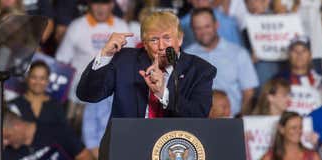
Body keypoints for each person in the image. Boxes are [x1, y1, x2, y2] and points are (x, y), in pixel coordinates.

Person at [77, 10, 217, 119]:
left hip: (171, 150)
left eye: (167, 38)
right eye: (154, 40)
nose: (161, 46)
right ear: (144, 44)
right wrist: (105, 55)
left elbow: (199, 115)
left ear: (179, 39)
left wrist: (163, 93)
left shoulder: (200, 70)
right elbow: (87, 95)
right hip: (126, 144)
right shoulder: (125, 60)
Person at [56, 0, 133, 104]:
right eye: (96, 3)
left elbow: (130, 62)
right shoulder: (76, 26)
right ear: (89, 5)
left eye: (104, 3)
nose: (100, 8)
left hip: (110, 98)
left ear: (112, 5)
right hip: (78, 97)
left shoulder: (122, 26)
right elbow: (61, 61)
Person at [185, 7, 258, 116]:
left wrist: (240, 120)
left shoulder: (238, 53)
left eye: (207, 26)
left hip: (231, 119)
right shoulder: (186, 56)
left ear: (216, 25)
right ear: (192, 29)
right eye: (198, 28)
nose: (203, 32)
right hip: (198, 121)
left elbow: (248, 93)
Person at [274, 36, 322, 116]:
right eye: (295, 51)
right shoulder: (278, 80)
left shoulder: (320, 81)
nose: (299, 54)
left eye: (303, 51)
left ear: (310, 55)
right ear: (289, 55)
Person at [9, 60, 67, 125]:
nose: (38, 82)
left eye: (42, 78)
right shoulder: (14, 105)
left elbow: (64, 132)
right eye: (34, 77)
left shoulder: (56, 106)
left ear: (47, 81)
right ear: (27, 78)